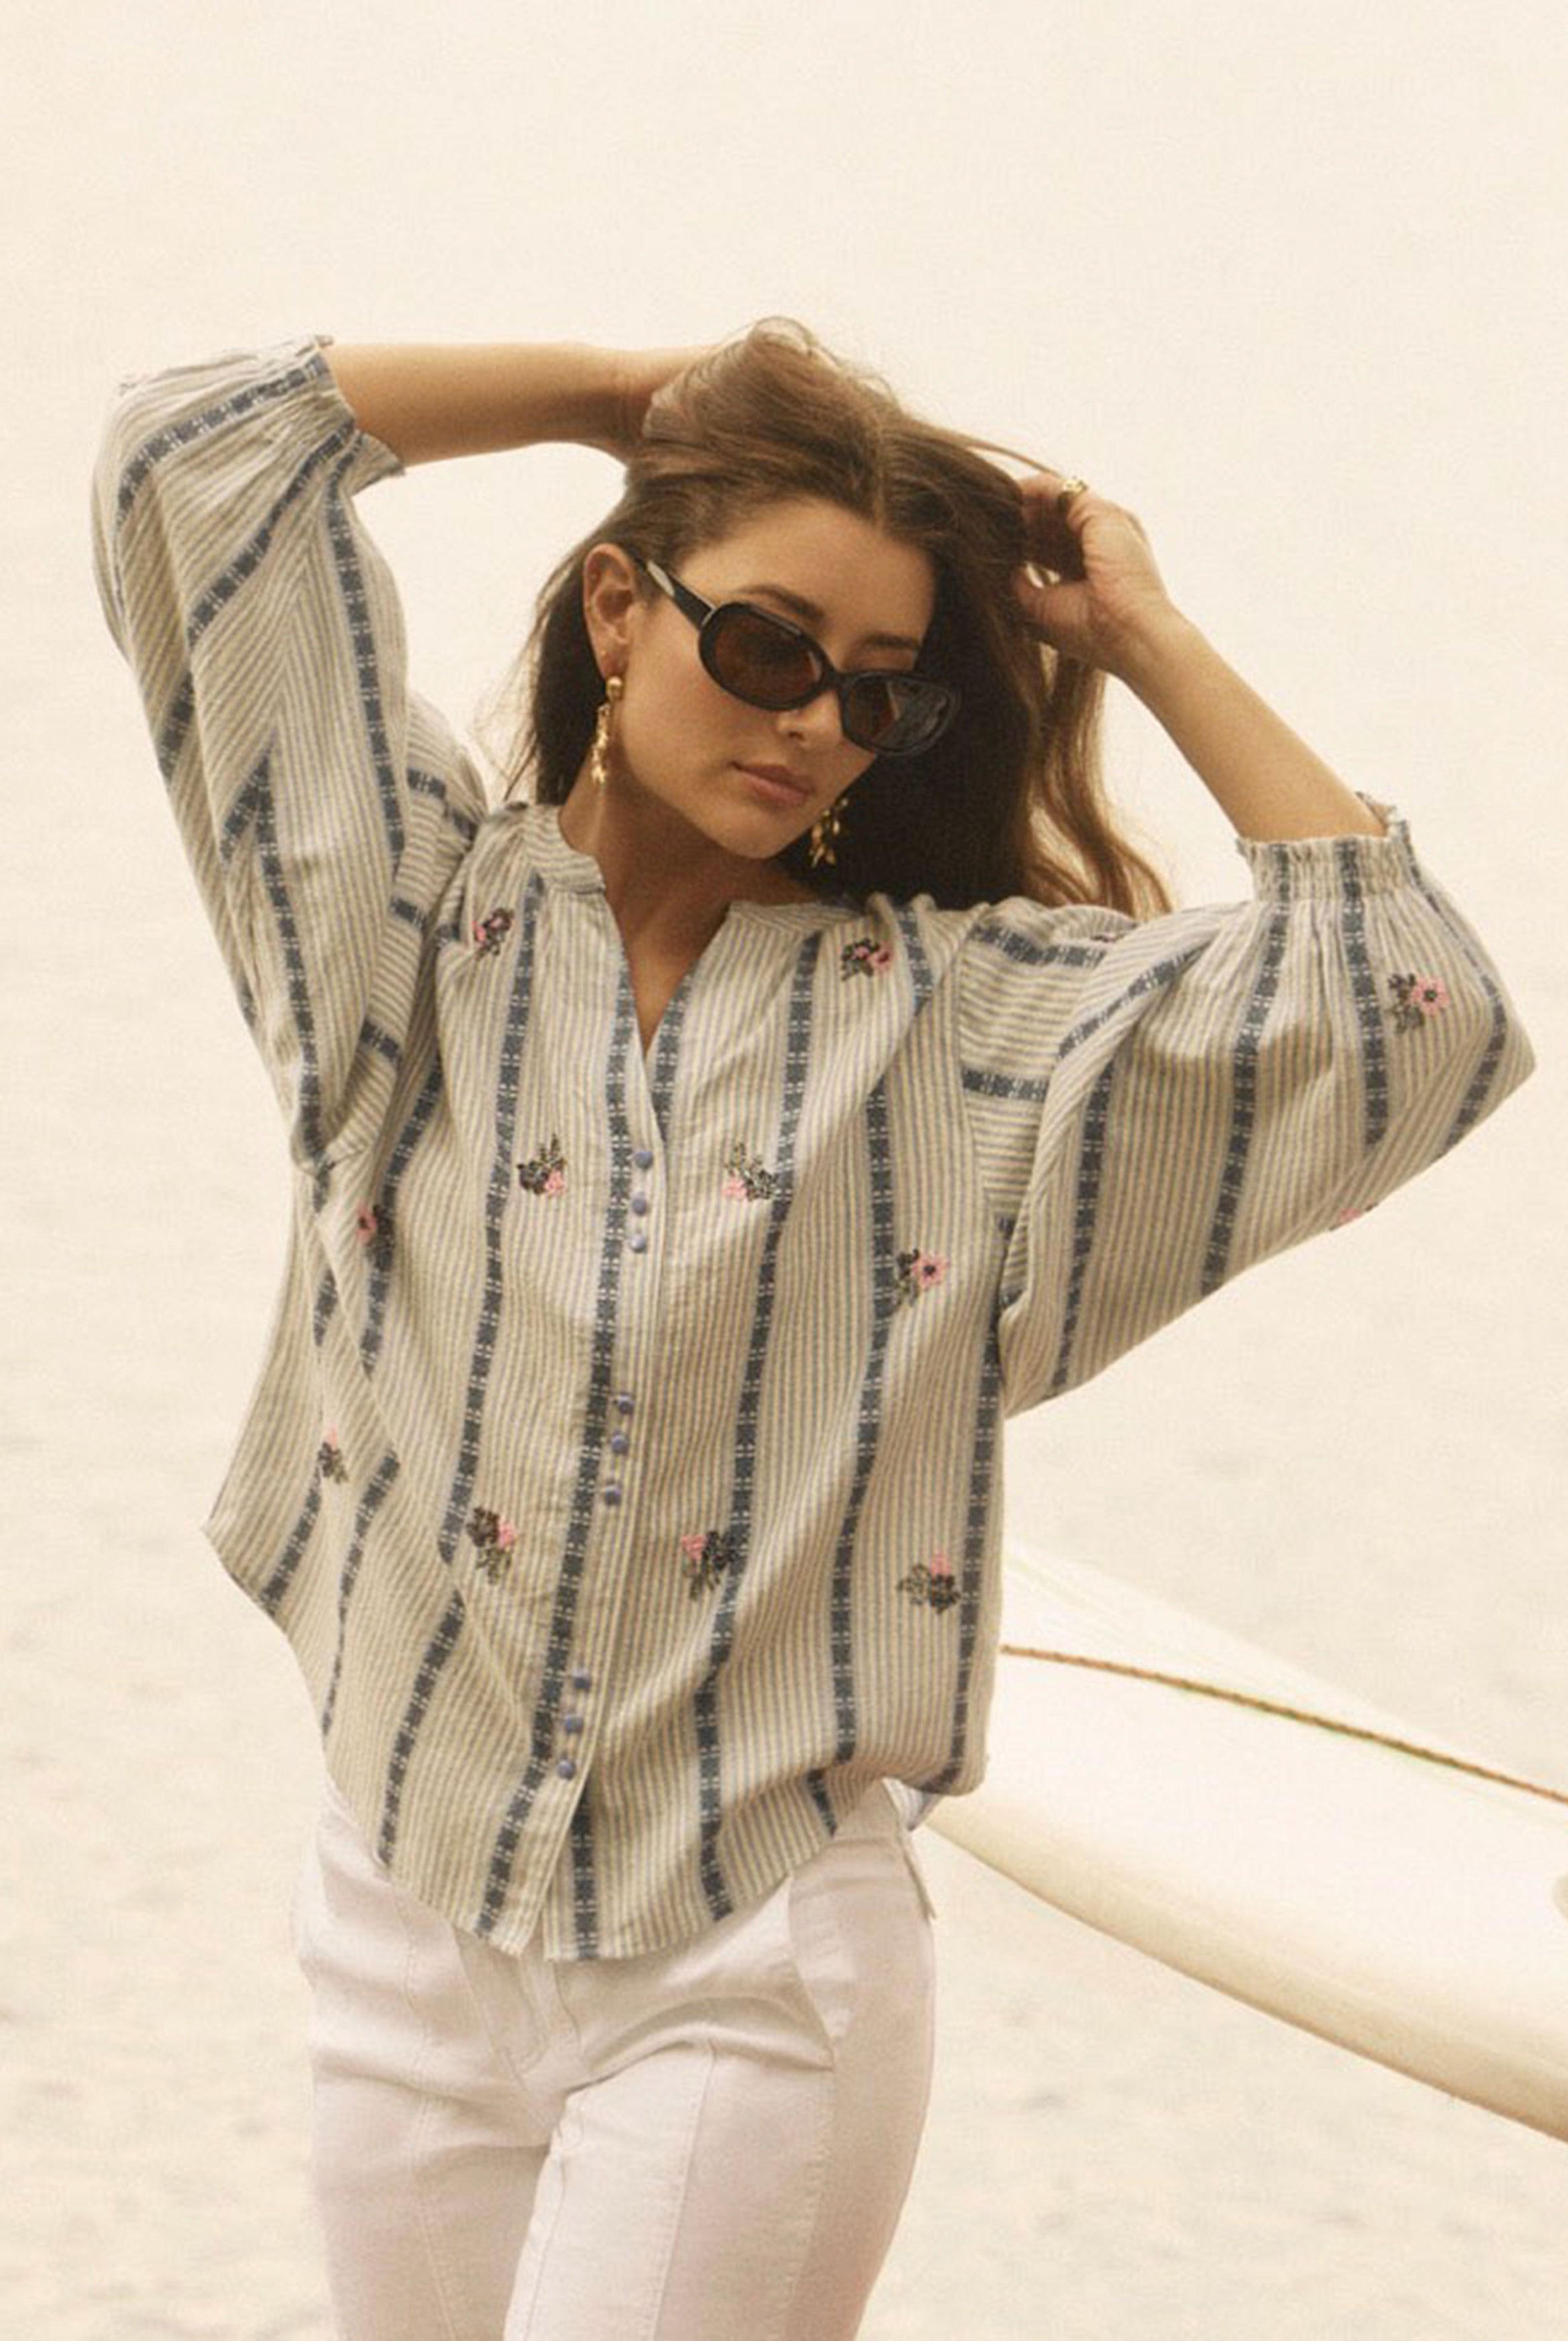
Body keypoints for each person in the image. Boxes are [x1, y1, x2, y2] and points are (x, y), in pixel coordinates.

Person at [91, 320, 1533, 2341]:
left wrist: (1147, 642)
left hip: (740, 1970)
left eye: (879, 695)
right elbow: (199, 456)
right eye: (764, 646)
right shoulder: (403, 930)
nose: (812, 727)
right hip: (403, 1918)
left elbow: (1415, 1012)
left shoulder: (961, 1026)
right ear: (619, 604)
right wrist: (624, 397)